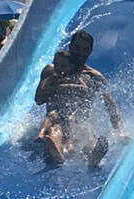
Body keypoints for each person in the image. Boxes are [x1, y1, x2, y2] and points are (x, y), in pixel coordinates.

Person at [33, 31, 125, 168]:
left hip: (81, 121)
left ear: (91, 51)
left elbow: (110, 105)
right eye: (76, 47)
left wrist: (120, 132)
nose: (80, 53)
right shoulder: (52, 70)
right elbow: (39, 99)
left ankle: (93, 156)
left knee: (87, 132)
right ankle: (56, 151)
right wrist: (58, 86)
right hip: (56, 118)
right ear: (70, 46)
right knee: (55, 130)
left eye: (85, 49)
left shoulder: (94, 77)